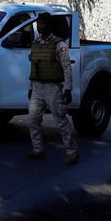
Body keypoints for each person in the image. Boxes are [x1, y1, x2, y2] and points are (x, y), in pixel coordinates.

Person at [25, 13, 79, 165]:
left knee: (60, 120)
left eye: (42, 24)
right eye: (38, 24)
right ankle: (38, 149)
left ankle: (72, 151)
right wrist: (30, 87)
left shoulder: (59, 45)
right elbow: (33, 68)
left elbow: (67, 67)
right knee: (33, 119)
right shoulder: (36, 44)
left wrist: (68, 89)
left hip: (53, 88)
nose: (39, 27)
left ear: (48, 25)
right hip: (37, 87)